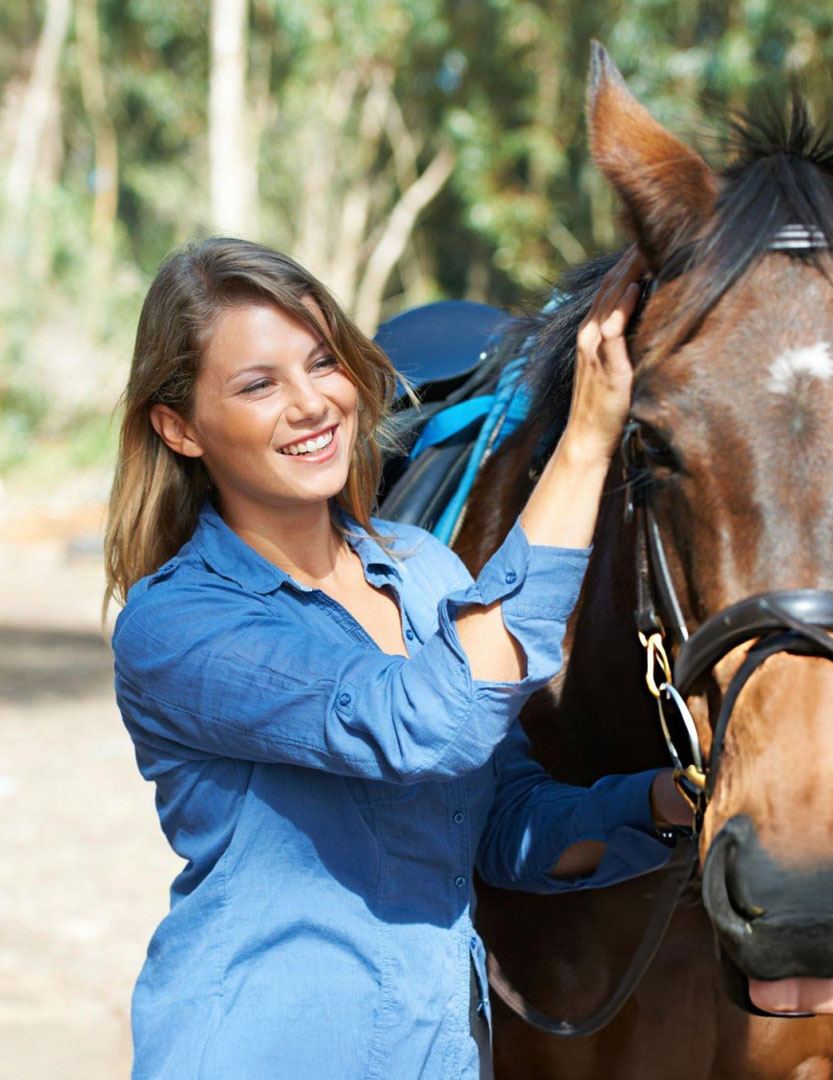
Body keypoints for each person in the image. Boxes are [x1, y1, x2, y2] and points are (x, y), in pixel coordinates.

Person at [104, 236, 692, 1079]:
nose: (311, 403)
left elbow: (502, 826)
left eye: (322, 362)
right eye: (259, 385)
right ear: (180, 428)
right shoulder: (177, 623)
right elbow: (424, 725)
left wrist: (668, 801)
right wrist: (584, 447)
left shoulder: (425, 571)